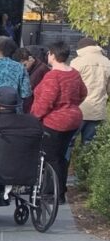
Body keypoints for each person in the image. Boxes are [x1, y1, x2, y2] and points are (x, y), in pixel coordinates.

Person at [31, 40, 87, 201]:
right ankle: (61, 191)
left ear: (53, 55)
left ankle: (51, 193)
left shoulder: (53, 76)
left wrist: (34, 117)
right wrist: (71, 104)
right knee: (61, 156)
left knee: (51, 157)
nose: (47, 55)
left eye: (49, 53)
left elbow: (45, 102)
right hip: (74, 119)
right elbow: (83, 92)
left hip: (55, 121)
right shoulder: (74, 73)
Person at [70, 37, 110, 148]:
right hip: (97, 110)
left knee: (69, 142)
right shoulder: (107, 62)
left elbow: (70, 86)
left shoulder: (77, 62)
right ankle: (84, 165)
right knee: (88, 144)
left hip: (78, 109)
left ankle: (65, 164)